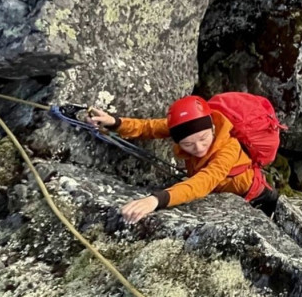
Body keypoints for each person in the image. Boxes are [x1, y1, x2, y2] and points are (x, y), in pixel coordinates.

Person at [87, 95, 279, 223]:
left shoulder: (228, 148)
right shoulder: (188, 126)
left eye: (204, 139)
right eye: (187, 144)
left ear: (213, 127)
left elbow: (203, 182)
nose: (199, 148)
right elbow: (149, 127)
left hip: (255, 195)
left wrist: (156, 200)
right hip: (228, 191)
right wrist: (115, 123)